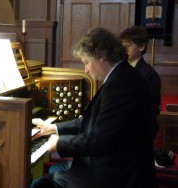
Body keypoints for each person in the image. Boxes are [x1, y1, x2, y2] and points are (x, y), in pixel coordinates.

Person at [31, 27, 156, 188]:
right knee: (51, 178)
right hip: (115, 167)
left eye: (86, 62)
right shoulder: (122, 76)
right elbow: (93, 120)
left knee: (40, 184)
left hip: (119, 177)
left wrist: (59, 143)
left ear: (101, 56)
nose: (86, 69)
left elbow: (100, 141)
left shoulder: (120, 85)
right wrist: (53, 127)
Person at [119, 25, 161, 138]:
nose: (124, 50)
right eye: (122, 46)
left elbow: (149, 111)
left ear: (141, 46)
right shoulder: (121, 69)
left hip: (139, 132)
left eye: (127, 46)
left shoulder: (149, 75)